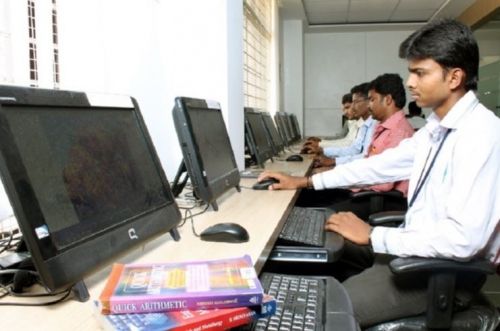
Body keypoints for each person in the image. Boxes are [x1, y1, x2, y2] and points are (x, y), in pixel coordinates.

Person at [258, 19, 500, 327]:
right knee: (319, 240)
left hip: (438, 274)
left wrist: (374, 235)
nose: (410, 82)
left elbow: (463, 241)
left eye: (420, 73)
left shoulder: (481, 134)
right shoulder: (437, 130)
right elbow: (378, 164)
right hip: (410, 251)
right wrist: (306, 181)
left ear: (454, 77)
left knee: (320, 314)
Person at [308, 83, 377, 168]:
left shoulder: (375, 124)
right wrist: (323, 150)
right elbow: (355, 149)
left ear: (368, 101)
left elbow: (366, 157)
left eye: (355, 102)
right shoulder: (364, 124)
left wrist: (333, 160)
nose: (353, 107)